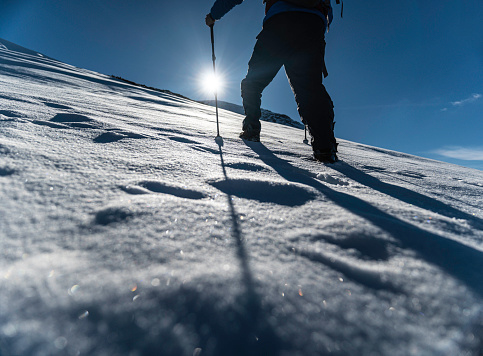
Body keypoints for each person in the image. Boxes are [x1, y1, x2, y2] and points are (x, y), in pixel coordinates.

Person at [206, 0, 338, 163]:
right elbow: (328, 12)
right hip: (312, 26)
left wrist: (214, 15)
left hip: (277, 25)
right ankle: (325, 147)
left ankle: (251, 129)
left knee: (253, 82)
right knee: (310, 88)